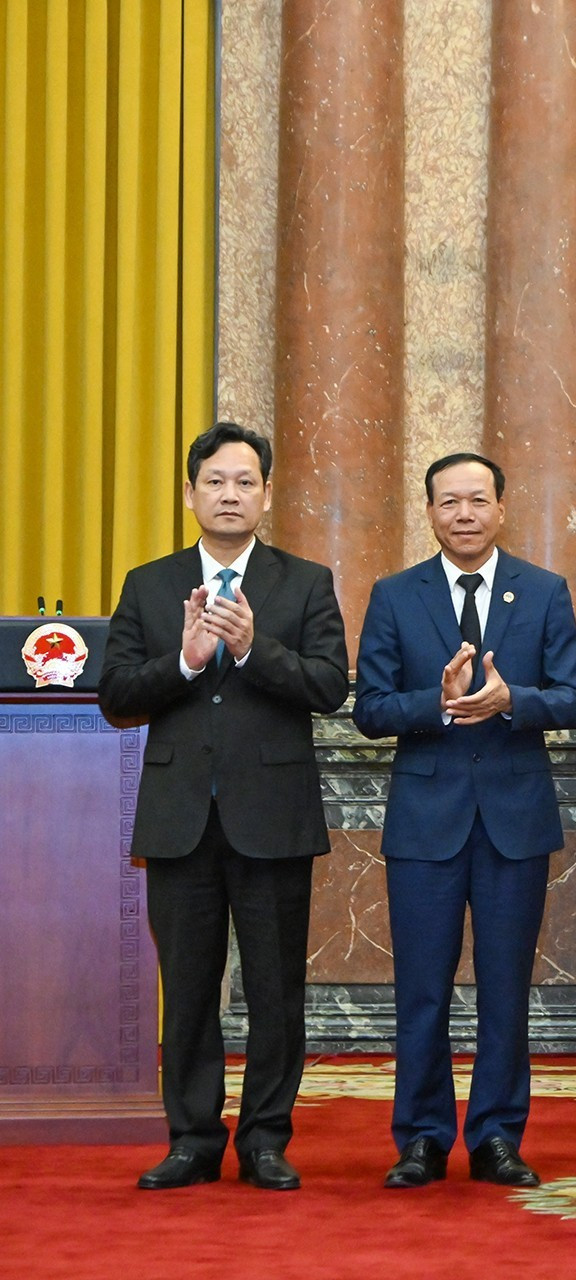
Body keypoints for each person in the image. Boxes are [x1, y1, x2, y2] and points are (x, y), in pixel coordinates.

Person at [98, 422, 349, 1191]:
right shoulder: (148, 583)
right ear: (189, 493)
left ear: (266, 494)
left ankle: (267, 1139)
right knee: (190, 987)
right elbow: (115, 697)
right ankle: (194, 1139)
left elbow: (330, 687)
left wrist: (250, 650)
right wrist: (184, 660)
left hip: (271, 815)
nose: (230, 494)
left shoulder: (304, 581)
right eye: (215, 481)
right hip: (180, 819)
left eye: (245, 482)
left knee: (277, 990)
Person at [352, 453, 576, 1190]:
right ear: (428, 512)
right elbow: (370, 709)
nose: (463, 513)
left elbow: (575, 698)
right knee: (421, 988)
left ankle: (495, 1136)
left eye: (477, 500)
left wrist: (511, 699)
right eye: (448, 501)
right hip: (426, 821)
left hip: (513, 820)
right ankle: (421, 1138)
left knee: (504, 986)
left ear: (501, 508)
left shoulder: (543, 592)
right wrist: (441, 703)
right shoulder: (395, 596)